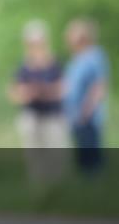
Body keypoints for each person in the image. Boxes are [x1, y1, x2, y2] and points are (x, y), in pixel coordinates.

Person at [7, 20, 68, 184]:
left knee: (55, 152)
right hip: (32, 116)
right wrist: (29, 93)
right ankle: (39, 186)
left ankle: (57, 186)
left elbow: (64, 88)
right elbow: (14, 92)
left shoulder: (54, 63)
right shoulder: (24, 66)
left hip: (52, 115)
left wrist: (45, 91)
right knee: (34, 153)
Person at [63, 18, 109, 175]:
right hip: (75, 117)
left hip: (87, 117)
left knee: (92, 161)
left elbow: (99, 87)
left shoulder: (94, 56)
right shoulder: (75, 59)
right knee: (82, 160)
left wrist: (86, 112)